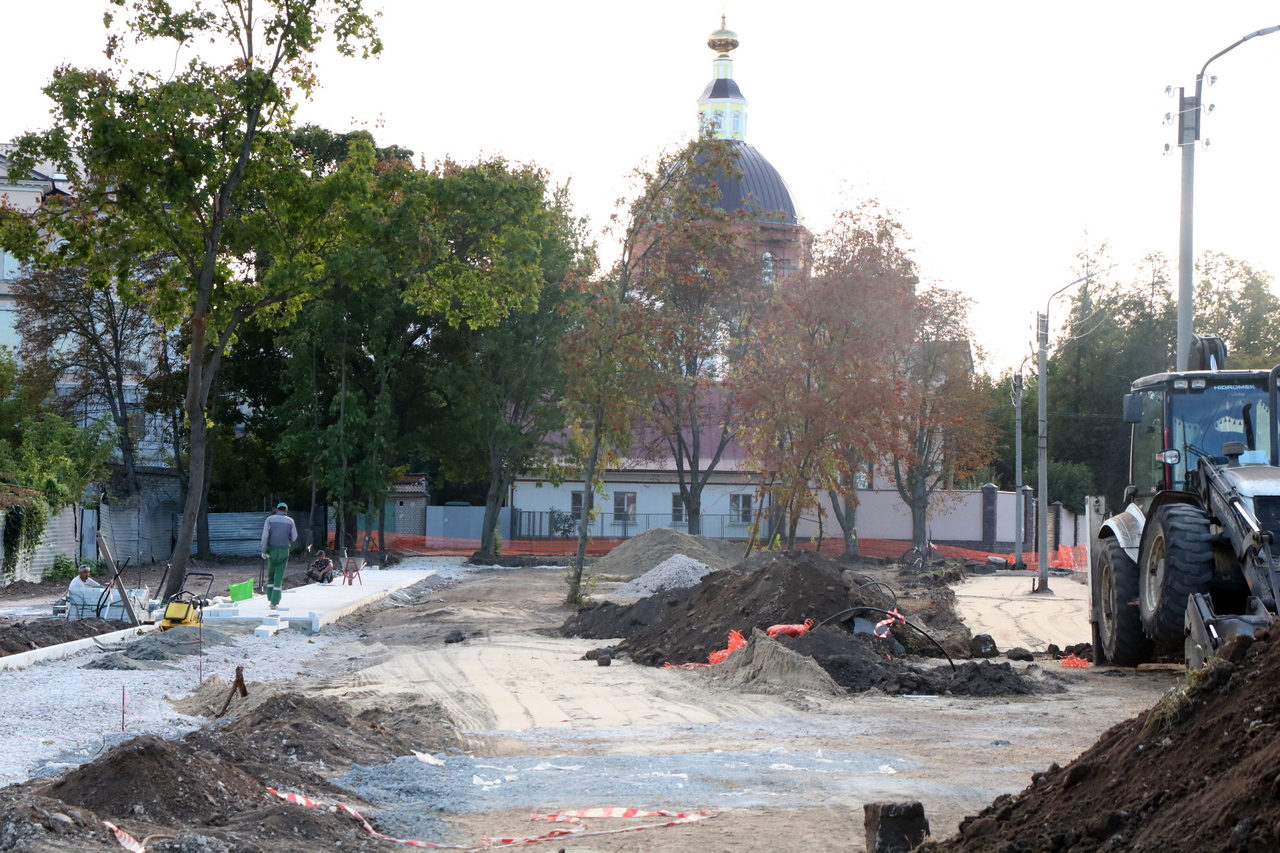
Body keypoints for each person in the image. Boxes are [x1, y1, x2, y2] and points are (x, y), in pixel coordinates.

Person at [260, 502, 297, 609]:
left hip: (271, 550)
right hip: (284, 550)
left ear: (277, 509)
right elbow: (294, 537)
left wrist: (264, 550)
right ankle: (275, 602)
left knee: (271, 574)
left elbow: (265, 536)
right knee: (279, 576)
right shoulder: (290, 521)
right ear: (286, 510)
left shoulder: (270, 519)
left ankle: (270, 598)